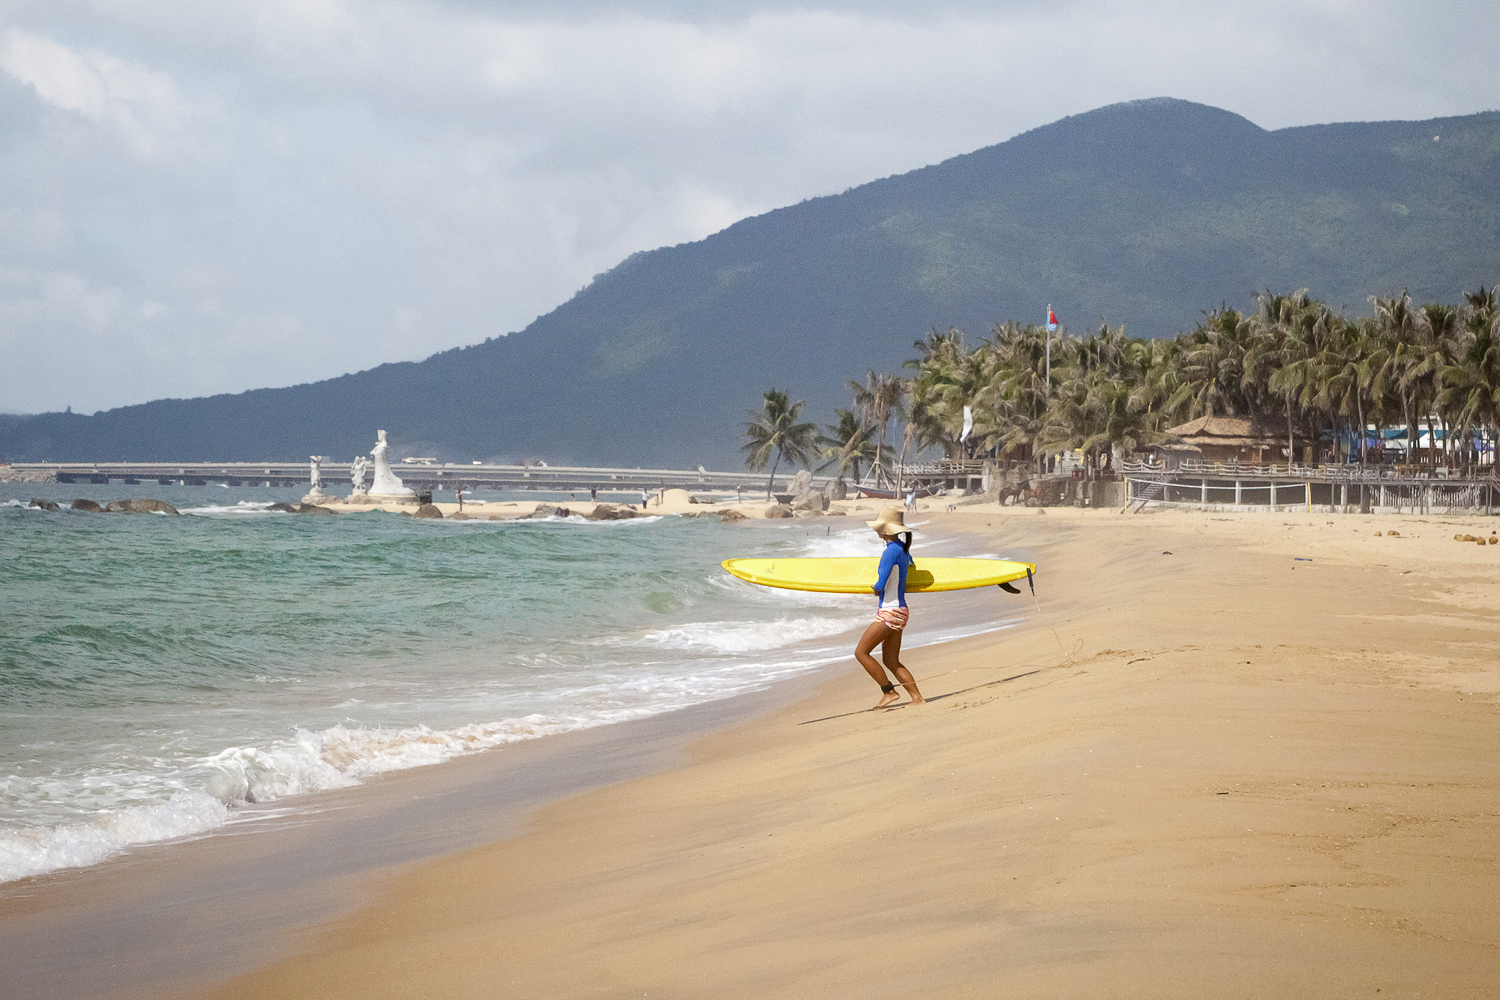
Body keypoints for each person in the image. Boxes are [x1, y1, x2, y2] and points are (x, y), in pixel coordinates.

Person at [854, 505, 925, 709]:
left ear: (885, 529)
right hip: (900, 611)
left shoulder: (890, 552)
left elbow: (881, 584)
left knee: (861, 652)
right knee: (891, 660)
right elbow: (909, 566)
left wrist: (874, 588)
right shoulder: (903, 550)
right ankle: (917, 697)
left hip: (890, 611)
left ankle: (889, 691)